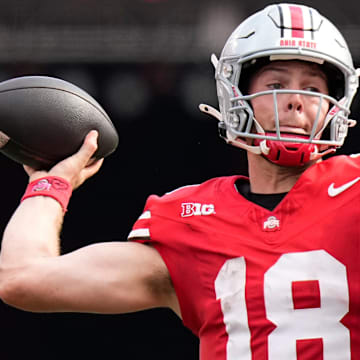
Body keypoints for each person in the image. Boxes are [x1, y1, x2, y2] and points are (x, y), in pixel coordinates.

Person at [0, 3, 359, 359]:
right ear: (236, 94)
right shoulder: (192, 222)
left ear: (335, 105)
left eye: (313, 88)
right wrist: (50, 185)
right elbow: (23, 279)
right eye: (277, 83)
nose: (296, 100)